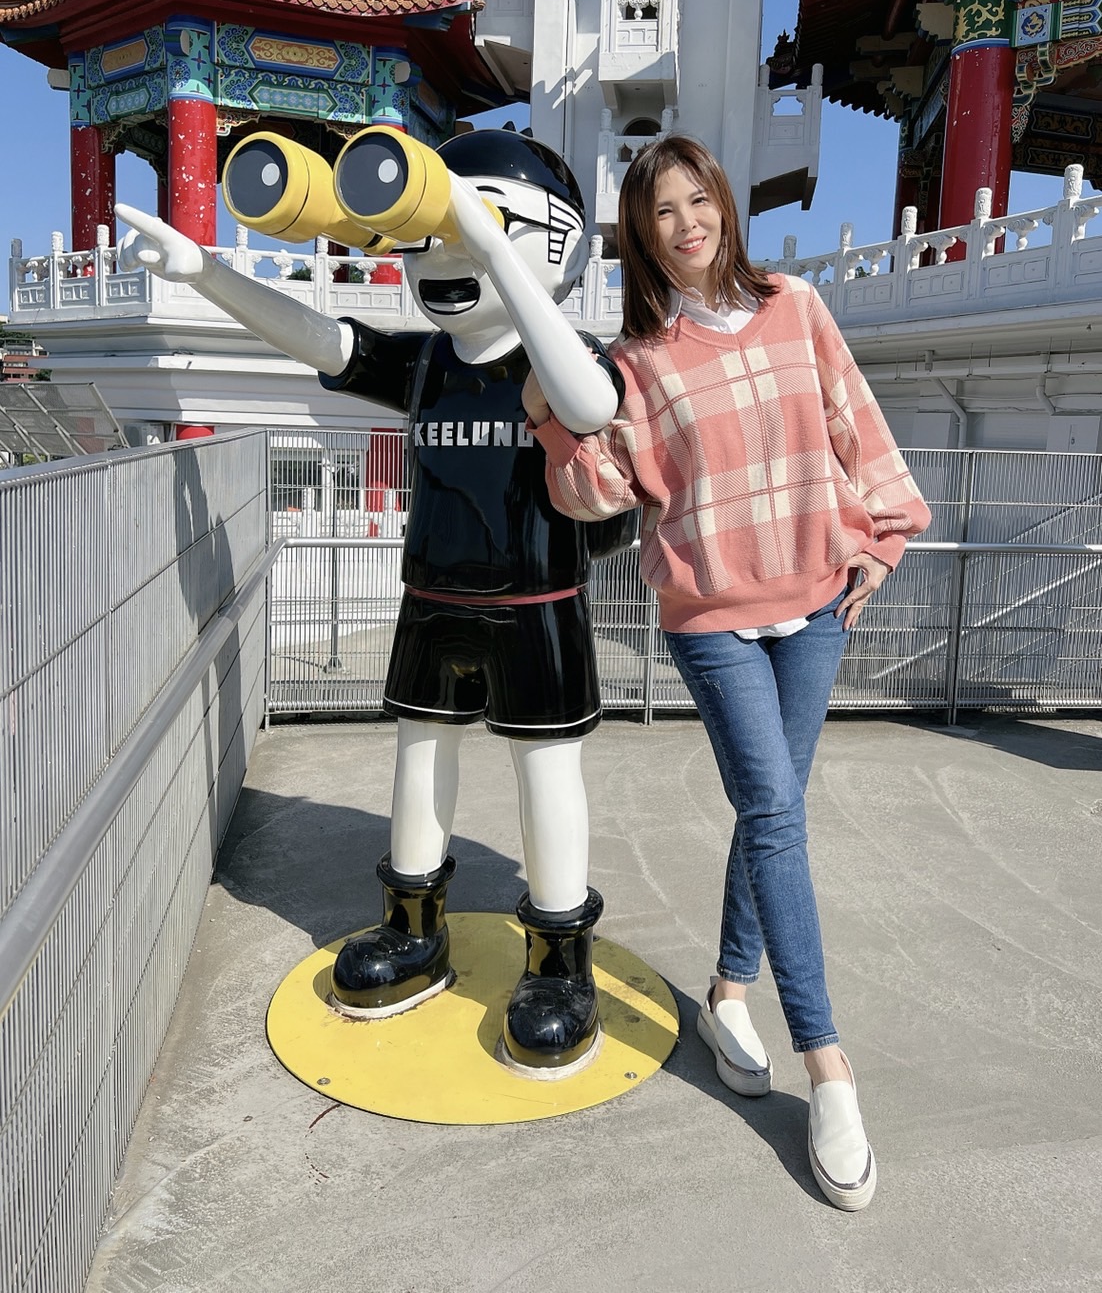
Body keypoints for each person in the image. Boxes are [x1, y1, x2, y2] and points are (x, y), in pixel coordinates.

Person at [116, 128, 627, 1078]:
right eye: (429, 232)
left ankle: (560, 957)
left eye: (473, 229)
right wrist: (203, 273)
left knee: (546, 773)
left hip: (540, 601)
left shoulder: (567, 359)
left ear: (555, 243)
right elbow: (318, 335)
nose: (444, 253)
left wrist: (489, 242)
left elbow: (591, 405)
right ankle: (414, 925)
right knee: (418, 752)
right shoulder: (427, 363)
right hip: (431, 595)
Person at [523, 134, 931, 1207]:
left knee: (772, 811)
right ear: (639, 235)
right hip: (710, 613)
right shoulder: (637, 361)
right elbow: (596, 489)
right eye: (661, 211)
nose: (685, 223)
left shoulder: (796, 305)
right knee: (777, 812)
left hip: (815, 603)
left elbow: (853, 423)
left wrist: (879, 536)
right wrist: (542, 415)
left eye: (697, 200)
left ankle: (724, 991)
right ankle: (829, 1067)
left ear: (723, 209)